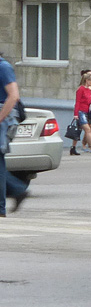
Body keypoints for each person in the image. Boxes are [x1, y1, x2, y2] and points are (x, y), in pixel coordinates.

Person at [1, 52, 30, 216]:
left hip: (4, 118)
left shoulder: (3, 67)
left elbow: (13, 96)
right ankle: (18, 191)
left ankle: (16, 192)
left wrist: (0, 118)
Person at [72, 70, 91, 155]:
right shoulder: (80, 89)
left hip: (86, 111)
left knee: (78, 130)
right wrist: (76, 114)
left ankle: (73, 148)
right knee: (88, 129)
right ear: (86, 80)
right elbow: (77, 102)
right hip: (80, 112)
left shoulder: (88, 90)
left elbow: (88, 101)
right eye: (90, 80)